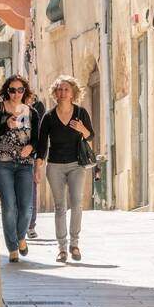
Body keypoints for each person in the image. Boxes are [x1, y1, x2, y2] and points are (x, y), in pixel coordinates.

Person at [35, 75, 94, 263]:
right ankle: (62, 248)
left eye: (66, 89)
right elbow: (42, 144)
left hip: (77, 164)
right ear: (55, 93)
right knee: (60, 207)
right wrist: (38, 165)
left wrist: (81, 129)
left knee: (76, 204)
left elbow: (90, 136)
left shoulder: (80, 113)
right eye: (59, 89)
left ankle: (74, 244)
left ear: (73, 93)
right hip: (55, 166)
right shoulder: (49, 117)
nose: (62, 92)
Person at [0, 75, 39, 263]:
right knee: (9, 205)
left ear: (25, 91)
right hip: (2, 162)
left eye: (20, 90)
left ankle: (21, 236)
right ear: (6, 91)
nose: (16, 94)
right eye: (12, 90)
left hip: (25, 165)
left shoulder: (31, 112)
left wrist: (31, 148)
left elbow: (38, 139)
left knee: (26, 208)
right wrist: (5, 125)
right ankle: (13, 248)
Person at [25, 86, 46, 239]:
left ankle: (31, 226)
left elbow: (40, 138)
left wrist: (40, 159)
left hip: (30, 158)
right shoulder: (10, 111)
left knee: (31, 192)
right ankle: (21, 225)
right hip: (11, 158)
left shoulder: (35, 114)